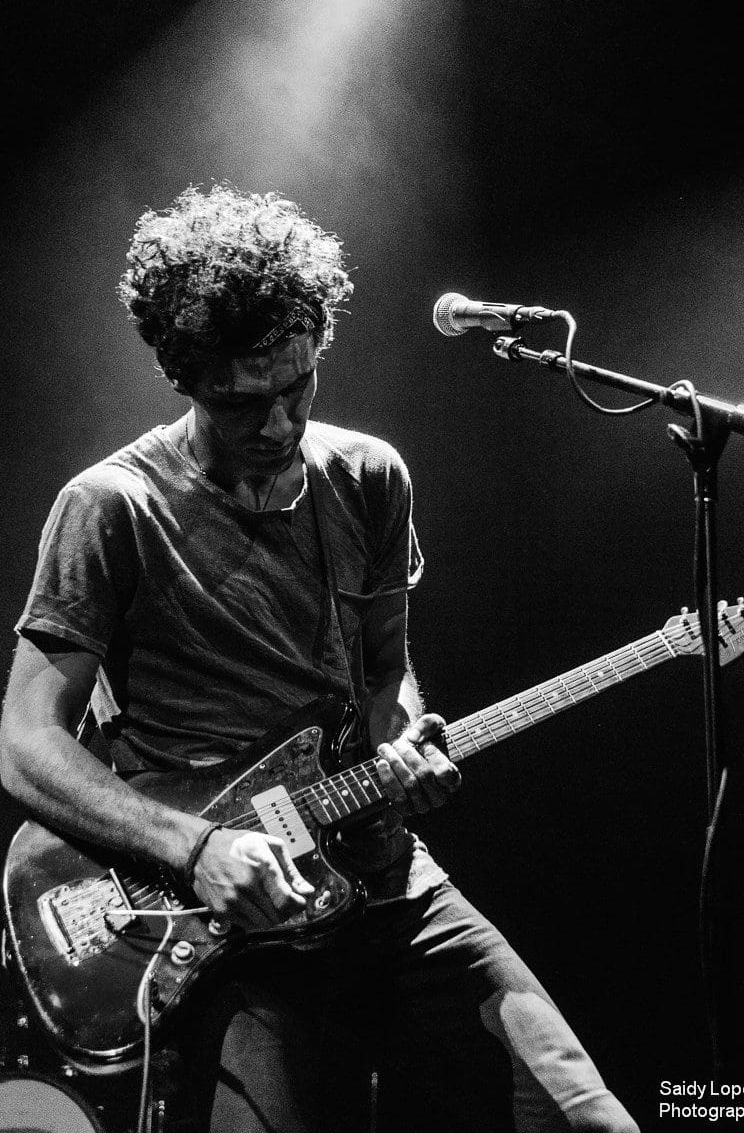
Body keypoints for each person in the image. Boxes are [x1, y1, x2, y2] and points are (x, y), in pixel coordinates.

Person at [0, 184, 638, 1133]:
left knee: (588, 1123)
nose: (276, 424)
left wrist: (403, 744)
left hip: (387, 886)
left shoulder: (369, 476)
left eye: (295, 388)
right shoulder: (111, 507)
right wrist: (195, 847)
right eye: (239, 401)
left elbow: (383, 677)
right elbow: (24, 743)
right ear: (182, 375)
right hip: (229, 922)